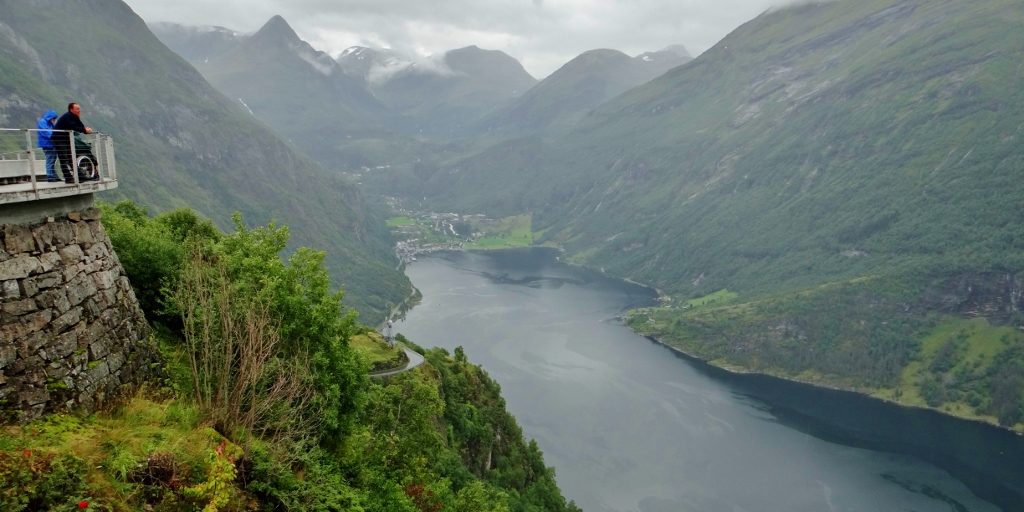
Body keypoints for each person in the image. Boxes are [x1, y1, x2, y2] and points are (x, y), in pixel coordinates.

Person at [52, 102, 96, 183]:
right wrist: (84, 130)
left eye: (79, 108)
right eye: (77, 109)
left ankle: (80, 176)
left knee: (70, 157)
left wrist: (85, 130)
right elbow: (72, 126)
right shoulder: (68, 116)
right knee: (64, 158)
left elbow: (79, 125)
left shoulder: (74, 116)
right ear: (71, 109)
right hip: (59, 139)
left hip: (65, 139)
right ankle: (68, 178)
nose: (79, 110)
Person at [35, 110, 60, 182]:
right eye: (54, 118)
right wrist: (55, 136)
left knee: (53, 160)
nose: (55, 120)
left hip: (52, 144)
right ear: (51, 118)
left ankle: (54, 175)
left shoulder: (50, 123)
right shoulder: (43, 122)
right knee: (50, 160)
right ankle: (50, 176)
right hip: (47, 145)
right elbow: (46, 132)